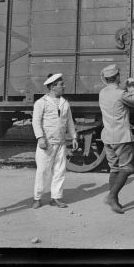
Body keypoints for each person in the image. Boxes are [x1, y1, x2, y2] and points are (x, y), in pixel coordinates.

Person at [99, 64, 134, 214]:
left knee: (114, 168)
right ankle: (111, 196)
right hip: (121, 137)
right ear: (117, 77)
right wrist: (131, 87)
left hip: (107, 136)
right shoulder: (121, 93)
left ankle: (114, 200)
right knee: (128, 168)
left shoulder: (102, 93)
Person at [31, 73, 78, 209]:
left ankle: (56, 197)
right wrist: (40, 138)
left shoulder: (65, 103)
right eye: (61, 84)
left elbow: (69, 121)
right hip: (46, 143)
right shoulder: (41, 103)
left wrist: (73, 137)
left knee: (59, 170)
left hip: (61, 143)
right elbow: (36, 121)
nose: (64, 86)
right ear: (52, 87)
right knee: (43, 171)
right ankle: (37, 198)